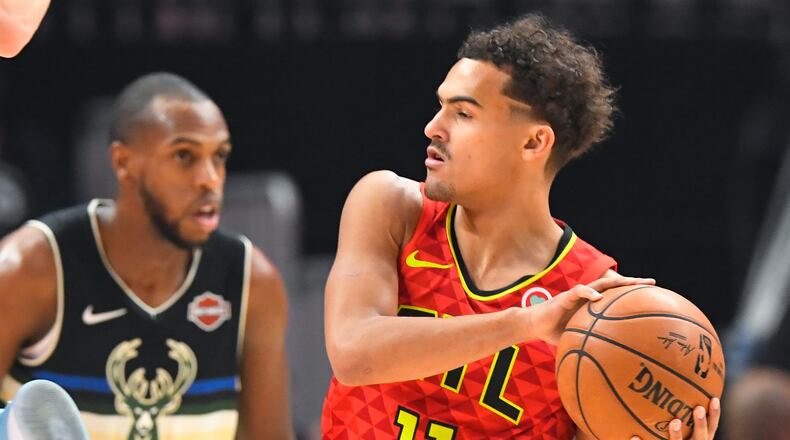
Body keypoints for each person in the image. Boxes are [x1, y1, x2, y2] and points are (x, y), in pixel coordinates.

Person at [322, 14, 720, 440]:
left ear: (534, 142)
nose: (433, 127)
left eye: (463, 113)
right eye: (441, 106)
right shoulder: (392, 207)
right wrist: (523, 324)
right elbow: (353, 352)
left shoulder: (593, 306)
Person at [0, 73, 293, 439]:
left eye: (219, 156)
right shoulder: (28, 269)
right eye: (184, 156)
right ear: (123, 163)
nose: (211, 178)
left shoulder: (252, 284)